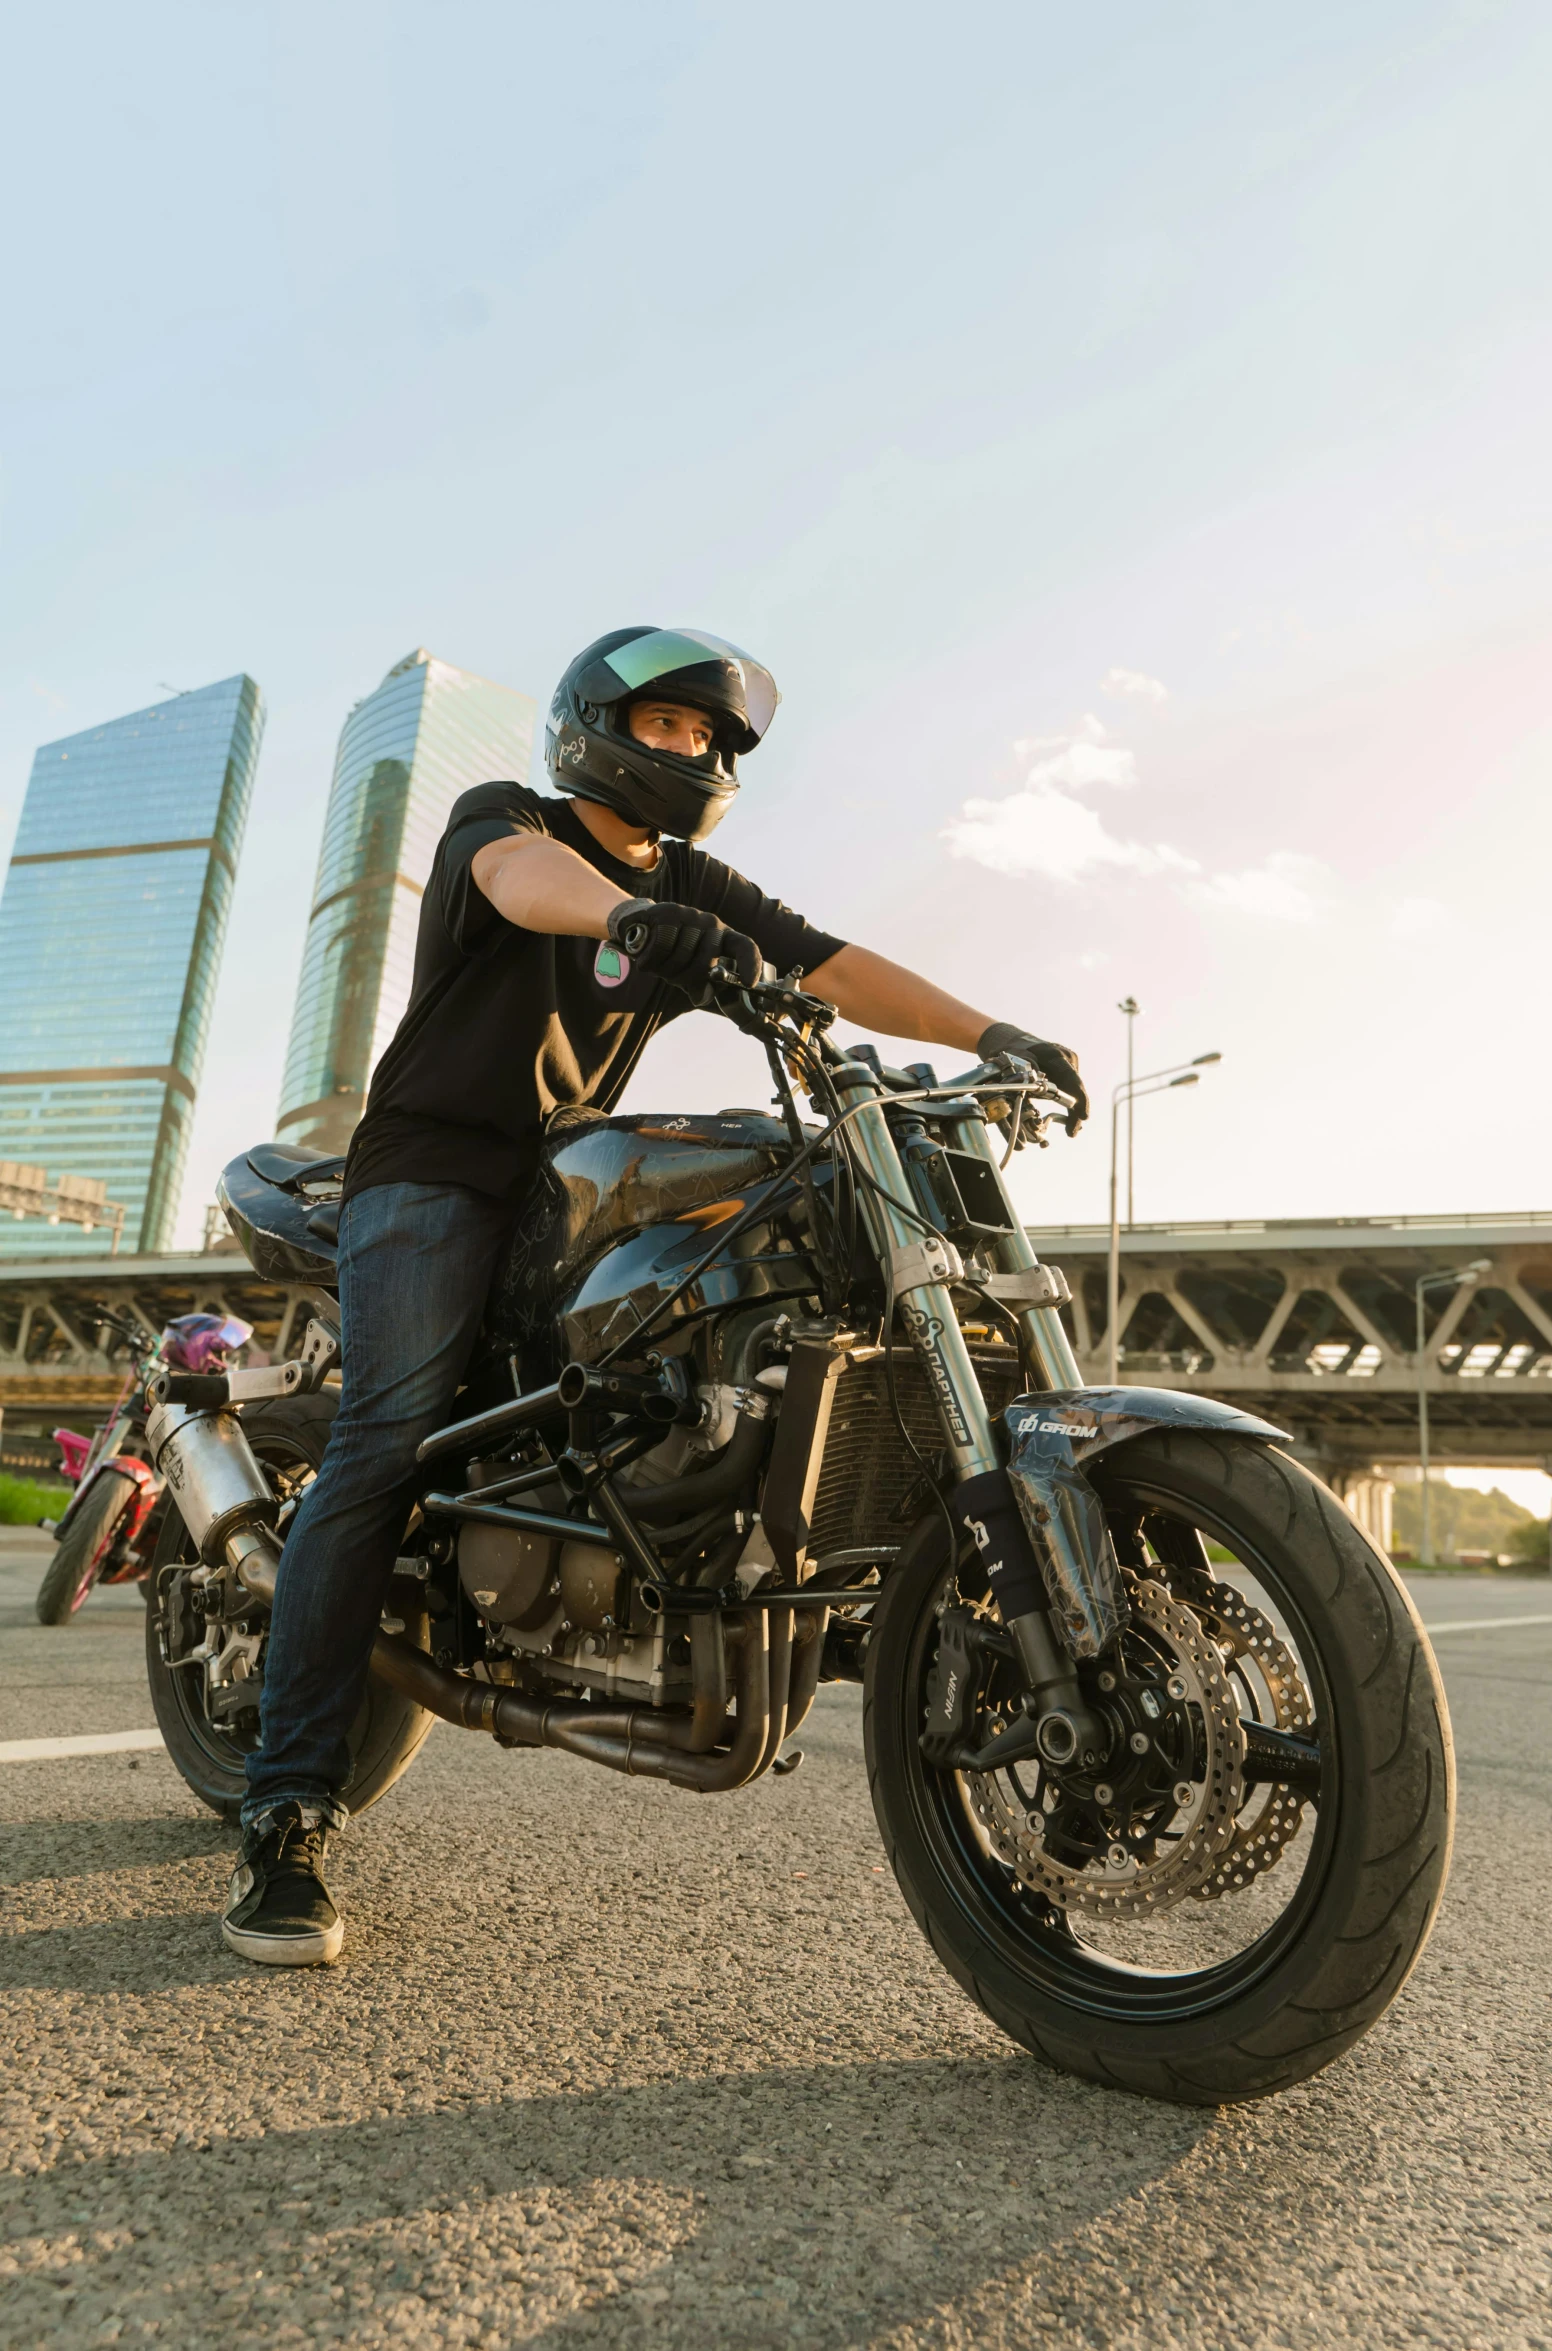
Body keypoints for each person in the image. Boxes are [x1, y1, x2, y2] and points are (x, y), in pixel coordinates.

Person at [222, 626, 1089, 1965]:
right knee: (382, 1440)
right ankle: (284, 1809)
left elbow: (834, 963)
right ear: (595, 726)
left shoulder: (691, 878)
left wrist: (989, 1036)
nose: (688, 749)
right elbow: (522, 883)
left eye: (707, 737)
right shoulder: (506, 823)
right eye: (667, 725)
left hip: (560, 1182)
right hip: (435, 1173)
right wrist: (628, 913)